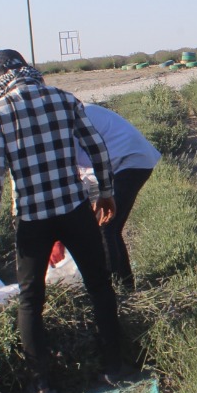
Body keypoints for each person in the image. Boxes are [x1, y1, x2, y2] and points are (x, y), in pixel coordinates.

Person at [0, 49, 123, 393]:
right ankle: (117, 364)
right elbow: (96, 146)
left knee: (31, 299)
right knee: (99, 286)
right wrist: (106, 191)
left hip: (32, 217)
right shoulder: (62, 99)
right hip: (73, 209)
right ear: (25, 69)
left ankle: (42, 381)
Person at [76, 103, 161, 290]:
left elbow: (69, 172)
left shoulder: (66, 118)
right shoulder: (68, 112)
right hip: (120, 164)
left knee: (106, 226)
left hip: (130, 160)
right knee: (109, 228)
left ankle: (115, 289)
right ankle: (125, 285)